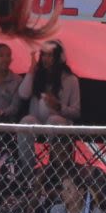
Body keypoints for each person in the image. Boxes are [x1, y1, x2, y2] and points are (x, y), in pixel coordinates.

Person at [16, 40, 80, 174]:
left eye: (50, 56)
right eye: (43, 55)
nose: (46, 59)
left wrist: (58, 106)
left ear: (58, 58)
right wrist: (31, 71)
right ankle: (27, 171)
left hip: (60, 122)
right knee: (26, 121)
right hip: (38, 121)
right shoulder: (37, 75)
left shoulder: (70, 80)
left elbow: (76, 112)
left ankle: (55, 171)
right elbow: (23, 94)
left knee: (54, 120)